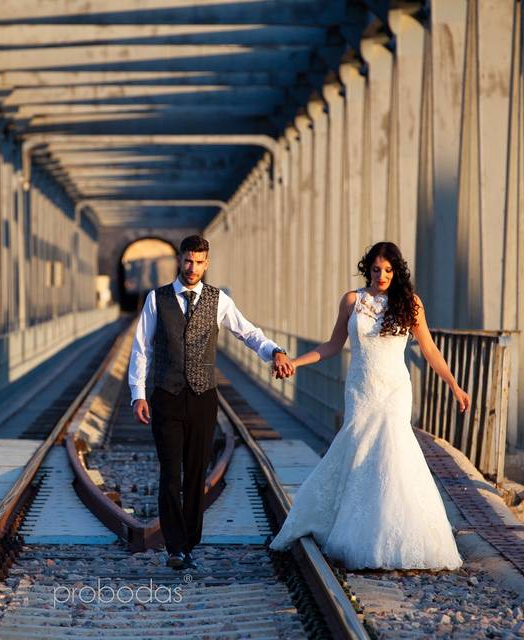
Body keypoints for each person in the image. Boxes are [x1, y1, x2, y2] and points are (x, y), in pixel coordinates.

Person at [268, 241, 467, 570]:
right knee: (359, 452)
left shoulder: (410, 304)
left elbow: (430, 350)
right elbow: (333, 346)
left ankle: (398, 539)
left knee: (393, 454)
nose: (382, 275)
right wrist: (296, 362)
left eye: (388, 270)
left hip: (395, 390)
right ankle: (355, 530)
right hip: (361, 390)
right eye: (376, 269)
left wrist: (455, 386)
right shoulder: (352, 301)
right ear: (368, 269)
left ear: (396, 271)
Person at [129, 234, 294, 571]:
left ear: (207, 263)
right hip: (166, 396)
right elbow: (142, 348)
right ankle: (175, 547)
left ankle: (189, 543)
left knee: (196, 474)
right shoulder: (156, 299)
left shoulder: (219, 301)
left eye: (199, 262)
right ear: (179, 259)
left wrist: (274, 351)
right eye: (188, 261)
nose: (193, 268)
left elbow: (248, 333)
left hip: (203, 398)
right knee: (170, 474)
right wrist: (138, 394)